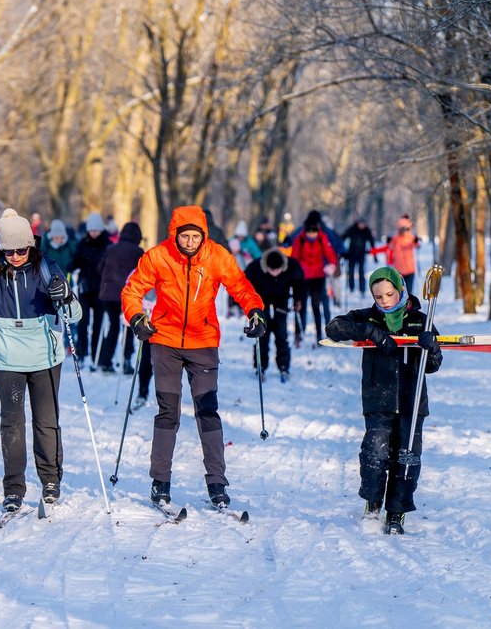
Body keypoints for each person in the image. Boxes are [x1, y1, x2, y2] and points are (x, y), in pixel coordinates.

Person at [121, 205, 266, 508]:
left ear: (203, 235)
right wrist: (137, 318)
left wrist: (255, 312)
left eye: (194, 236)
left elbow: (240, 286)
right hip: (165, 343)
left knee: (207, 411)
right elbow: (132, 290)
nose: (189, 242)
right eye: (184, 236)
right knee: (167, 412)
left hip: (203, 343)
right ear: (175, 234)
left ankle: (217, 483)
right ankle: (160, 482)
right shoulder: (158, 256)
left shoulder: (217, 256)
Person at [0, 208, 82, 512]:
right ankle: (14, 488)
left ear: (31, 245)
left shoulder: (47, 268)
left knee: (46, 423)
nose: (15, 255)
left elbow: (74, 315)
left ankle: (50, 480)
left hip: (44, 357)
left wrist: (65, 295)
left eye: (21, 249)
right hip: (7, 357)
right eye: (9, 250)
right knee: (11, 424)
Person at [325, 266, 442, 535]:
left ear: (400, 289)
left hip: (412, 403)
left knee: (407, 456)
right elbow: (334, 327)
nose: (385, 301)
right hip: (378, 398)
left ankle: (397, 511)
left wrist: (431, 346)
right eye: (379, 297)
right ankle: (373, 503)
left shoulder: (420, 320)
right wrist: (370, 333)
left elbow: (434, 366)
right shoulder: (369, 318)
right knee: (375, 454)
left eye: (389, 294)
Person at [243, 247, 305, 382]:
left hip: (281, 300)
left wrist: (297, 300)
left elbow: (299, 283)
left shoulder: (291, 266)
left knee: (281, 334)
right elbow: (244, 285)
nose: (275, 273)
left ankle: (284, 366)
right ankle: (260, 366)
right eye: (272, 270)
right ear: (267, 267)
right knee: (262, 334)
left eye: (278, 270)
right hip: (261, 301)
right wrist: (249, 305)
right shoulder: (256, 268)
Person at [97, 221, 144, 373]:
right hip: (127, 295)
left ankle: (105, 361)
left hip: (108, 294)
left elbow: (100, 268)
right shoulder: (138, 252)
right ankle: (126, 361)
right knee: (129, 328)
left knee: (112, 327)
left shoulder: (110, 248)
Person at [68, 212, 112, 369]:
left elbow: (110, 266)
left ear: (101, 230)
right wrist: (70, 267)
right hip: (85, 288)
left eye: (97, 230)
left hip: (101, 290)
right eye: (91, 230)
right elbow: (74, 261)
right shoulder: (82, 243)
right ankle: (81, 353)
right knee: (83, 322)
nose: (94, 233)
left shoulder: (107, 244)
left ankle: (96, 354)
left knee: (98, 324)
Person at [290, 212, 338, 346]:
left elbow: (331, 255)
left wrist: (331, 265)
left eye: (314, 231)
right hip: (303, 278)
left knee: (316, 306)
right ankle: (298, 334)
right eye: (309, 231)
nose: (312, 234)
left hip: (318, 276)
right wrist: (294, 272)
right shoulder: (299, 239)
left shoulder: (322, 238)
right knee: (301, 305)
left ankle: (318, 335)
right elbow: (294, 257)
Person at [376, 215, 420, 294]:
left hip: (409, 270)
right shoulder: (395, 239)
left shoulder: (410, 238)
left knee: (408, 292)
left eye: (404, 228)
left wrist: (416, 241)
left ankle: (407, 305)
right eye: (401, 228)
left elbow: (416, 245)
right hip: (400, 270)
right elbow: (388, 247)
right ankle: (402, 305)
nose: (403, 230)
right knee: (400, 292)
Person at [341, 218, 377, 293]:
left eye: (363, 224)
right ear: (358, 224)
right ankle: (351, 287)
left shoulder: (366, 230)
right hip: (352, 254)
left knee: (361, 272)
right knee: (351, 271)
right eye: (360, 224)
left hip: (361, 254)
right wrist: (343, 251)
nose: (362, 225)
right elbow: (343, 238)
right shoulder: (352, 229)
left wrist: (375, 256)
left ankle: (362, 289)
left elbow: (372, 243)